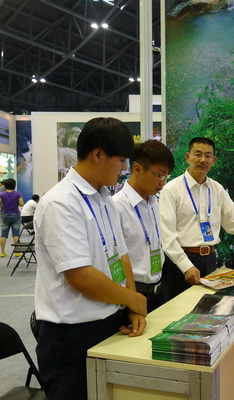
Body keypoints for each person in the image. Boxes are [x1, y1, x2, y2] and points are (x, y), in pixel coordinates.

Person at [33, 117, 147, 400]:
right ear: (98, 155)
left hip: (108, 321)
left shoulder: (105, 198)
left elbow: (121, 256)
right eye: (120, 160)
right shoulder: (61, 203)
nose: (124, 168)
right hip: (71, 336)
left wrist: (132, 306)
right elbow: (80, 276)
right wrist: (133, 299)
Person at [159, 137, 234, 301]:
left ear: (214, 160)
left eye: (208, 156)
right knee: (180, 309)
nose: (203, 160)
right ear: (188, 157)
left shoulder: (217, 189)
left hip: (209, 259)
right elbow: (167, 235)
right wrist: (185, 265)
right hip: (180, 262)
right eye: (198, 154)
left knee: (209, 309)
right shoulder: (171, 190)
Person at [113, 140, 175, 313]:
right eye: (159, 175)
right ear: (137, 169)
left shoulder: (154, 202)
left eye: (166, 176)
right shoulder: (117, 206)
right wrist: (131, 302)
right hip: (133, 294)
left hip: (158, 291)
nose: (163, 182)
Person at [0, 178, 24, 258]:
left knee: (3, 234)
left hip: (5, 215)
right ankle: (17, 251)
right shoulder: (17, 194)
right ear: (14, 185)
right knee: (16, 234)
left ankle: (2, 252)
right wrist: (16, 203)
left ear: (5, 185)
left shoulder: (1, 194)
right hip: (15, 214)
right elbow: (22, 204)